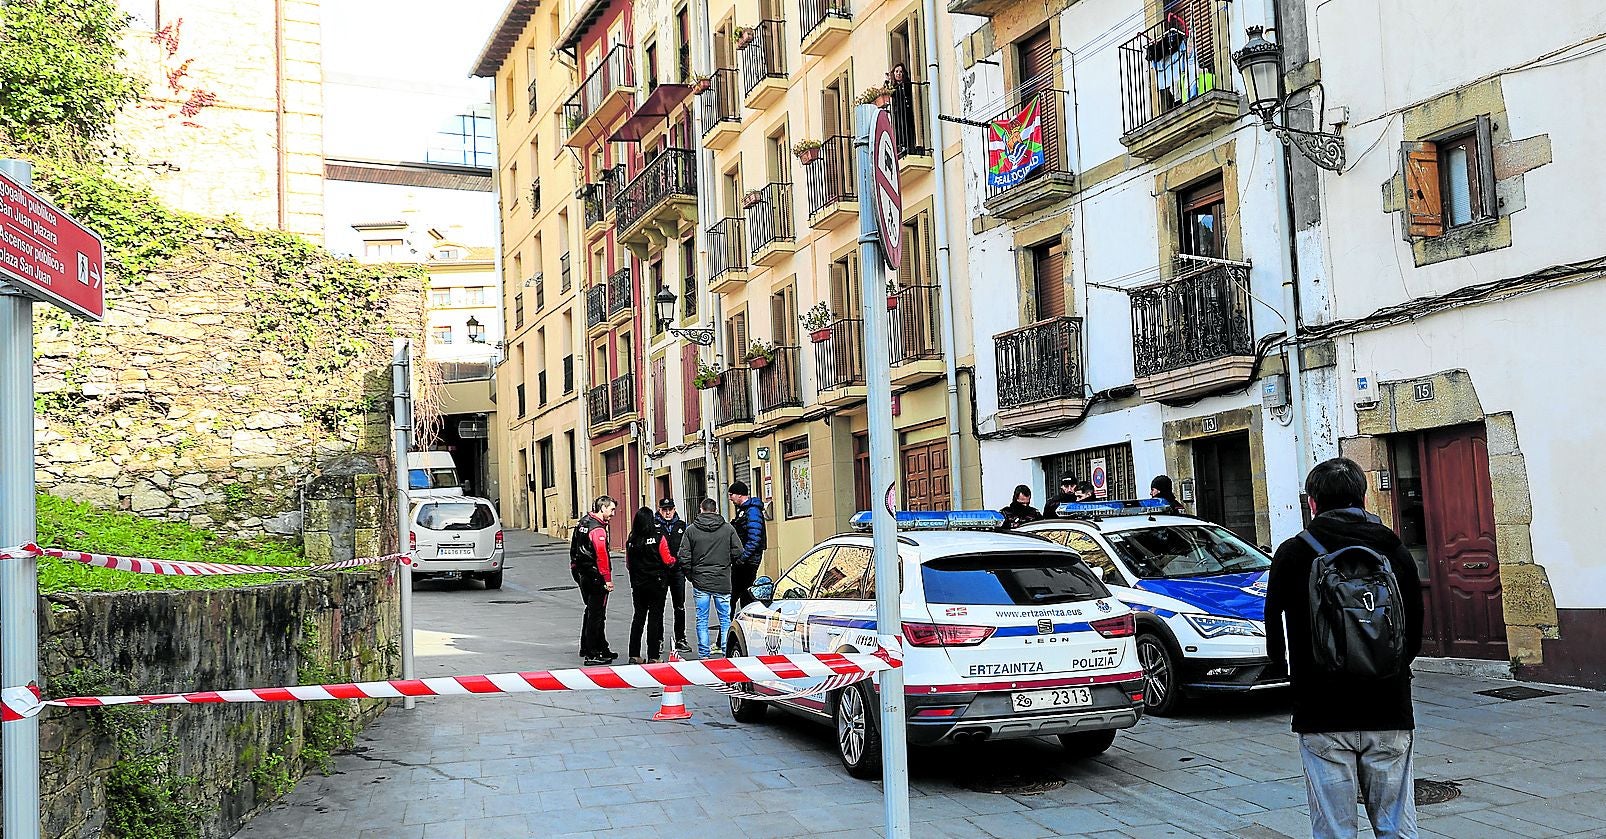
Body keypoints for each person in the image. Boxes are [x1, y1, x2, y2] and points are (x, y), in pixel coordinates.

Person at [1265, 458, 1424, 839]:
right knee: (1397, 826)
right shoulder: (1394, 549)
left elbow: (1273, 628)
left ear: (1312, 503)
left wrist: (1286, 672)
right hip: (1388, 707)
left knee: (1334, 830)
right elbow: (1414, 629)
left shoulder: (1293, 553)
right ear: (1364, 498)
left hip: (1320, 711)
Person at [677, 498, 743, 659]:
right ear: (716, 510)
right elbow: (739, 552)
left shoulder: (691, 530)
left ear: (701, 509)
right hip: (722, 580)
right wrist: (727, 564)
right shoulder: (728, 529)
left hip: (700, 581)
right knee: (725, 619)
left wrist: (691, 576)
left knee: (702, 620)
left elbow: (683, 557)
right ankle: (727, 653)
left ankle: (704, 655)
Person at [570, 496, 619, 666]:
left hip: (583, 573)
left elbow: (574, 547)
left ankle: (594, 646)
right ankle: (593, 653)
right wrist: (607, 579)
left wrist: (574, 568)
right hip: (595, 575)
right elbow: (602, 557)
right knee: (597, 614)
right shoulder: (598, 530)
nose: (613, 513)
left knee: (591, 611)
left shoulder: (583, 522)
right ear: (602, 508)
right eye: (611, 509)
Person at [625, 507, 676, 664]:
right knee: (655, 618)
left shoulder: (632, 540)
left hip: (638, 584)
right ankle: (653, 656)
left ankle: (634, 654)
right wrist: (674, 561)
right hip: (657, 583)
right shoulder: (659, 536)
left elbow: (628, 564)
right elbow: (667, 559)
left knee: (638, 618)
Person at [654, 498, 691, 655]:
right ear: (660, 510)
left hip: (677, 571)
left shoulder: (682, 526)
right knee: (659, 607)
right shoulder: (654, 526)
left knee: (679, 606)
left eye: (670, 509)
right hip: (661, 571)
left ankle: (681, 638)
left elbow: (688, 546)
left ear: (674, 509)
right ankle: (658, 639)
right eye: (664, 509)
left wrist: (684, 564)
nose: (667, 512)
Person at [728, 481, 766, 608]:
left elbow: (754, 539)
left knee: (743, 595)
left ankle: (741, 623)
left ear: (739, 495)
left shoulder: (752, 511)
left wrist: (742, 558)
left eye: (731, 494)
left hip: (748, 560)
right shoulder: (744, 511)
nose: (730, 498)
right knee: (735, 595)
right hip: (745, 559)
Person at [888, 63, 921, 157]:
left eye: (901, 72)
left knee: (908, 129)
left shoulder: (907, 84)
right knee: (900, 130)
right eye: (896, 71)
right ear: (893, 73)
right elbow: (889, 94)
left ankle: (910, 147)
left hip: (907, 111)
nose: (898, 74)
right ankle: (901, 147)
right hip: (898, 113)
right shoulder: (893, 87)